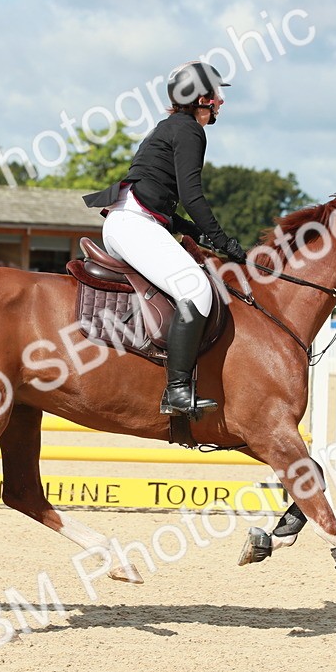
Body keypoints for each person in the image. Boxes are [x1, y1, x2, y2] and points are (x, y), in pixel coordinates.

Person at [83, 60, 247, 419]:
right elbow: (192, 195)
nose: (221, 102)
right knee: (197, 289)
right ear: (202, 98)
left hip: (131, 221)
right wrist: (224, 241)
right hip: (133, 225)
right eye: (217, 96)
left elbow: (154, 191)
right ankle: (176, 391)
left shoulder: (169, 127)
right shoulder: (189, 130)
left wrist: (187, 228)